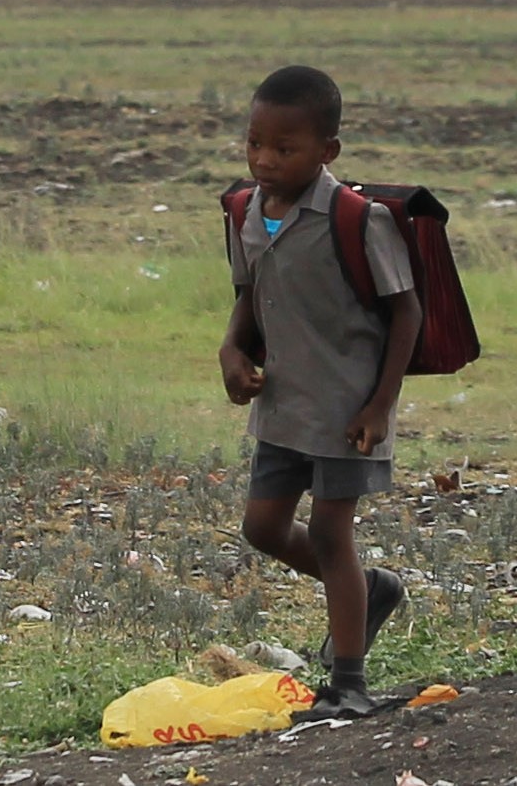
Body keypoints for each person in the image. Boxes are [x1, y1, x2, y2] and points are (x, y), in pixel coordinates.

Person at [221, 62, 423, 718]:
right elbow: (250, 293)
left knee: (333, 535)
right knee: (263, 526)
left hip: (346, 411)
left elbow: (407, 312)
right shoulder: (246, 211)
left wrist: (380, 405)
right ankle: (370, 591)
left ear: (327, 150)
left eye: (285, 147)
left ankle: (349, 681)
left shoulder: (360, 220)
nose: (265, 159)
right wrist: (231, 348)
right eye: (255, 143)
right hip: (283, 405)